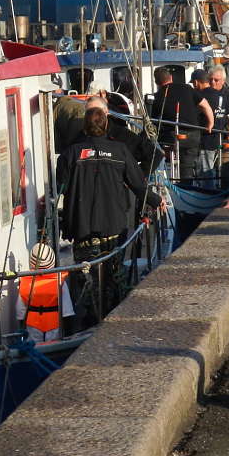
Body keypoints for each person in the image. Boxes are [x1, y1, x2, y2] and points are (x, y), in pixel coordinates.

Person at [57, 108, 164, 327]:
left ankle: (88, 321)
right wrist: (155, 200)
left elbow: (61, 188)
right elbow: (138, 185)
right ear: (106, 125)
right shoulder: (120, 151)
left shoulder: (70, 153)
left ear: (84, 127)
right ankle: (112, 316)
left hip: (82, 227)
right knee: (114, 275)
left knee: (86, 276)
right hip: (113, 224)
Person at [148, 66, 214, 180]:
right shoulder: (187, 88)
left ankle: (165, 181)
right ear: (171, 78)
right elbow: (205, 105)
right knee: (187, 165)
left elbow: (153, 122)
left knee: (159, 151)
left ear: (156, 82)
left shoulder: (157, 96)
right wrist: (210, 124)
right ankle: (186, 186)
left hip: (173, 136)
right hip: (194, 133)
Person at [82, 95, 159, 173]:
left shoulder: (122, 135)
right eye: (89, 113)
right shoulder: (81, 137)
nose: (93, 117)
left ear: (106, 112)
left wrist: (135, 178)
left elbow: (154, 154)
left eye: (97, 112)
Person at [15, 243, 74, 342]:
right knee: (54, 347)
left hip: (32, 325)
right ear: (52, 260)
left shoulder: (25, 282)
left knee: (34, 347)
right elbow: (67, 311)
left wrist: (22, 325)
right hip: (54, 324)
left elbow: (20, 312)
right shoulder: (59, 281)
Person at [200, 66, 229, 184]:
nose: (212, 82)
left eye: (216, 80)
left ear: (223, 81)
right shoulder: (205, 94)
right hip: (208, 137)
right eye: (210, 79)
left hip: (224, 138)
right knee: (207, 168)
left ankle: (222, 192)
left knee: (222, 169)